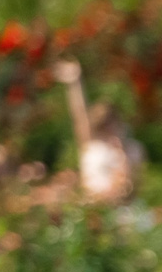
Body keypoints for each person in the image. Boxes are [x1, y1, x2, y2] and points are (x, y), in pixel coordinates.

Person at [55, 57, 143, 201]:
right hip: (93, 208)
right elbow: (79, 116)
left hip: (121, 210)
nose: (109, 128)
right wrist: (75, 83)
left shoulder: (132, 149)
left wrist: (122, 156)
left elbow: (132, 187)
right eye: (105, 125)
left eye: (111, 123)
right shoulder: (92, 146)